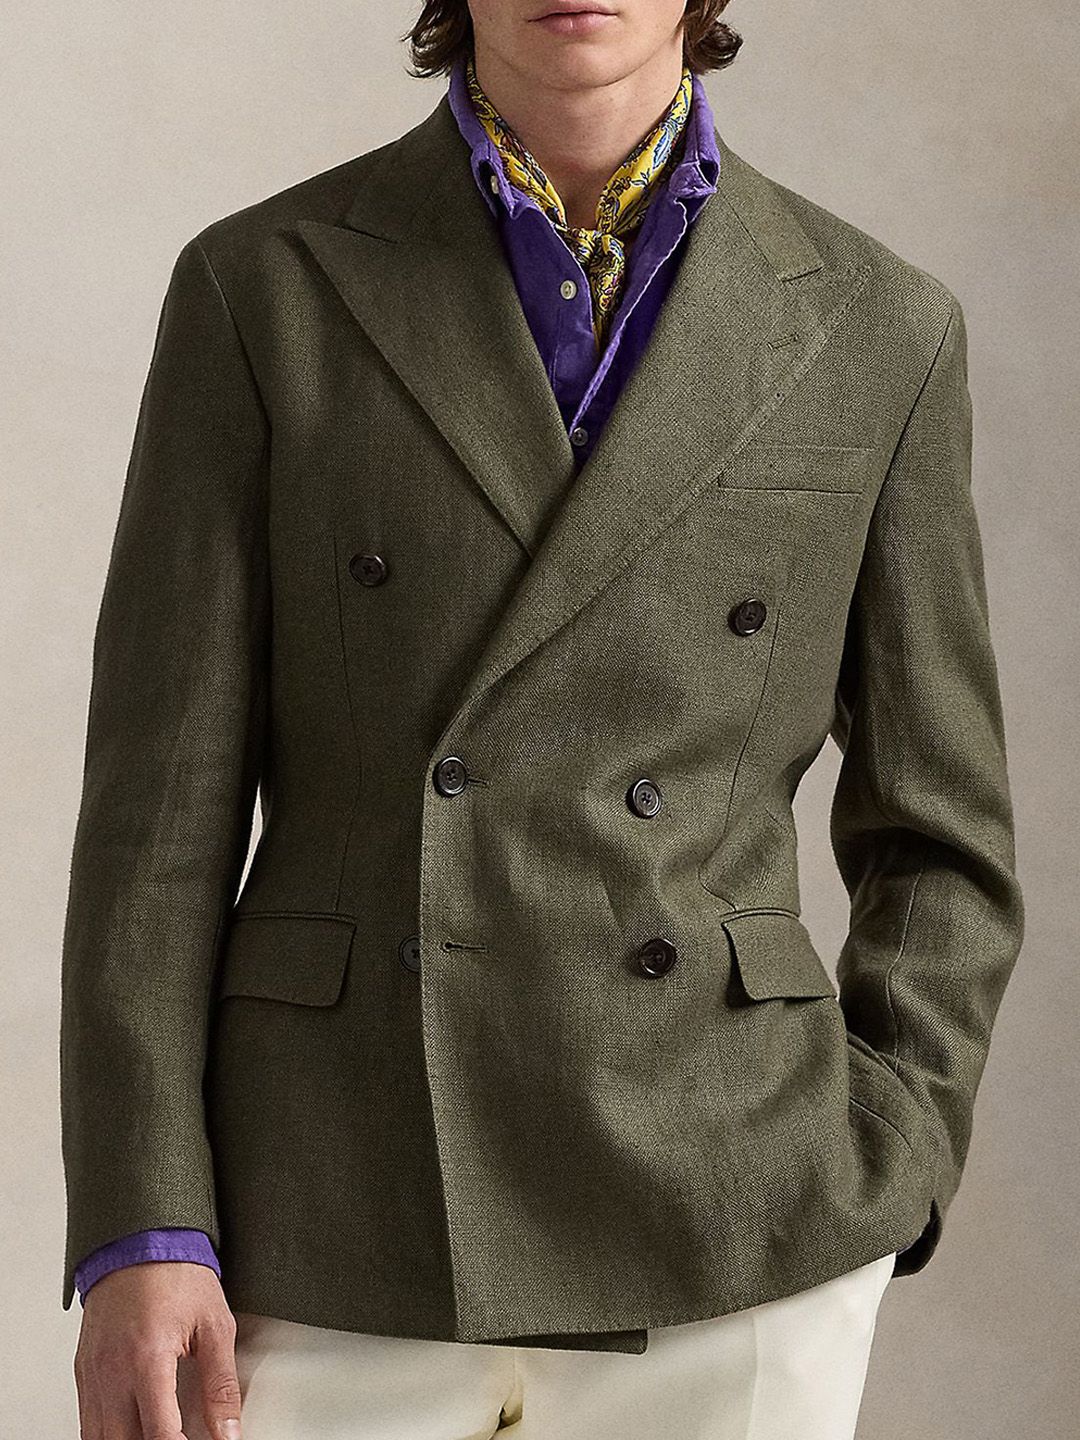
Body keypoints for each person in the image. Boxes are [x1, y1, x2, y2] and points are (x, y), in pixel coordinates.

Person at [60, 1, 1025, 1437]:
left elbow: (940, 829)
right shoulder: (264, 286)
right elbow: (157, 822)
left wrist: (897, 1156)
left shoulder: (880, 325)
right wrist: (142, 1220)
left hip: (740, 1222)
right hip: (331, 1210)